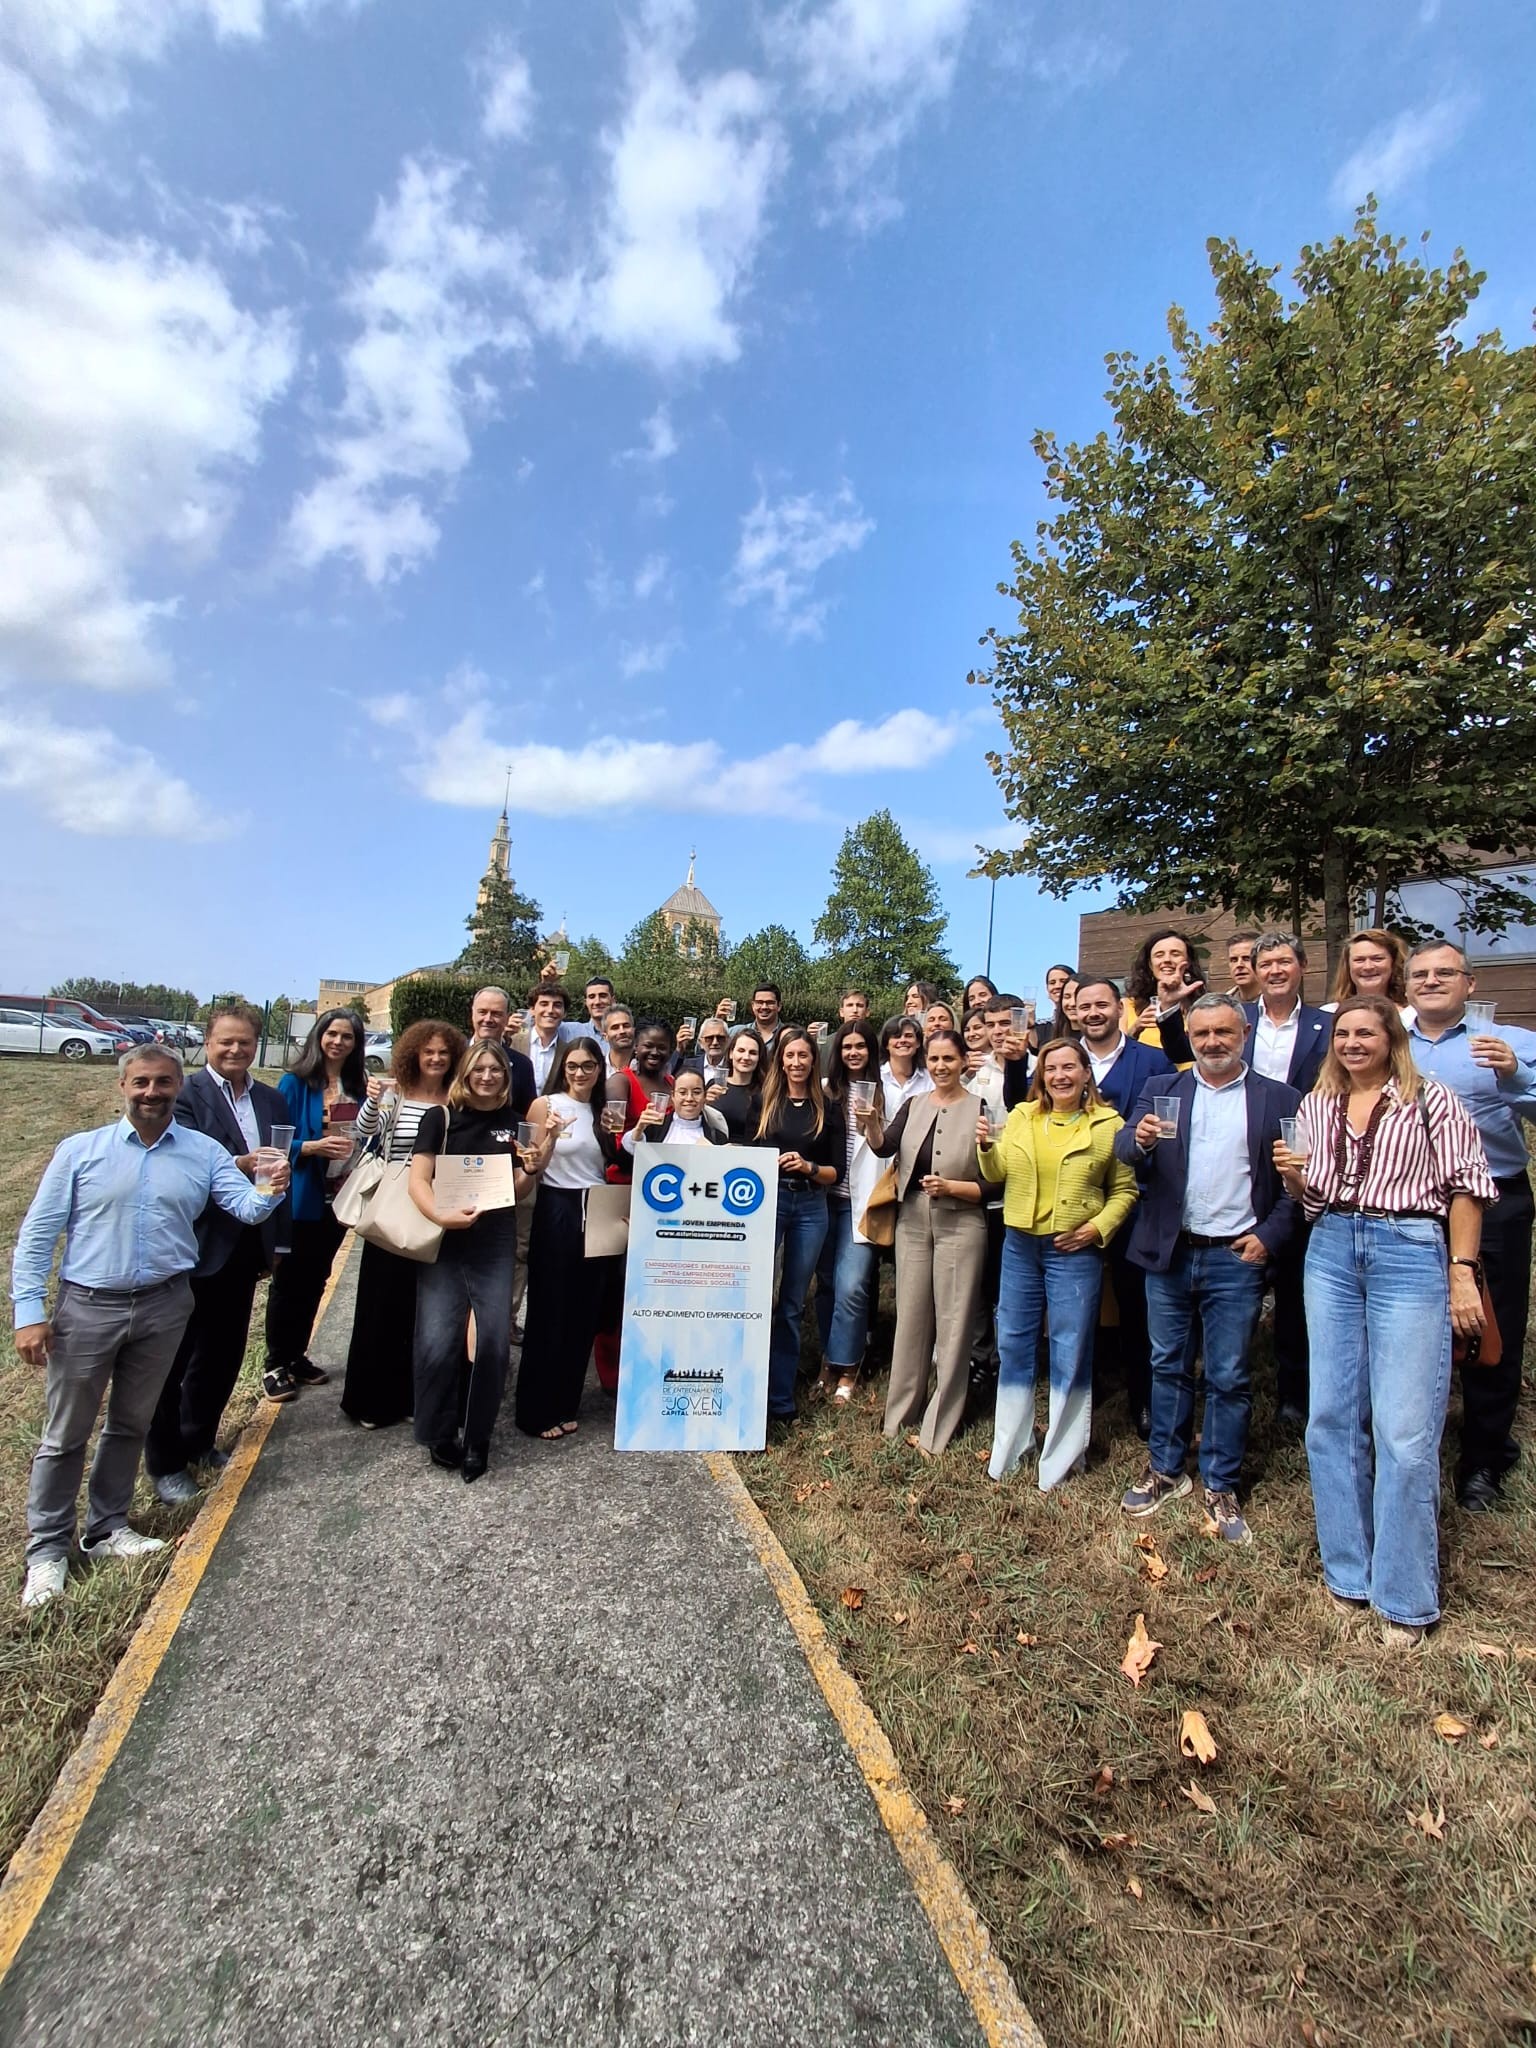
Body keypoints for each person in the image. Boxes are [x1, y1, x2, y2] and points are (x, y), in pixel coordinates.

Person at [13, 1046, 288, 1608]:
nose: (152, 1092)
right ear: (123, 1087)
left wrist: (270, 1186)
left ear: (175, 1088)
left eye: (163, 1082)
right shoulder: (79, 1152)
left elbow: (244, 1207)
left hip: (165, 1304)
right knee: (66, 1433)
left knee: (129, 1424)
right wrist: (29, 1313)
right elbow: (38, 1237)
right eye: (142, 1082)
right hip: (89, 1305)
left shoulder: (203, 1151)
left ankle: (107, 1527)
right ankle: (46, 1551)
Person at [1275, 996, 1495, 1642]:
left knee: (1404, 1429)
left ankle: (1405, 1596)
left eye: (1365, 1032)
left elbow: (1467, 1186)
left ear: (1390, 1037)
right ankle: (1349, 1572)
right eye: (1343, 1032)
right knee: (1332, 1417)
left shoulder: (1431, 1099)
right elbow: (1312, 1197)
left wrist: (1461, 1272)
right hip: (1334, 1246)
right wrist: (1293, 1179)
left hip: (1410, 1248)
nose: (1351, 1042)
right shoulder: (1318, 1105)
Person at [1114, 993, 1301, 1545]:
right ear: (1189, 1039)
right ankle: (1166, 1470)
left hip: (1235, 1256)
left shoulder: (1279, 1098)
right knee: (1167, 1364)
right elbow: (1124, 1147)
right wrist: (1139, 1141)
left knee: (1229, 1375)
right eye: (1202, 1035)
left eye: (1224, 1033)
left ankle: (1221, 1481)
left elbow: (1297, 1182)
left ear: (1243, 1032)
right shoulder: (1163, 1089)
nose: (1213, 1043)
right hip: (1171, 1251)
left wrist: (1268, 1237)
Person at [1406, 941, 1536, 1511]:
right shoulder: (1390, 1042)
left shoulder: (1512, 1044)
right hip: (1413, 1203)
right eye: (1421, 974)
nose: (1432, 981)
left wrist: (1513, 1077)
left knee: (1489, 1330)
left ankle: (1483, 1458)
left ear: (1470, 984)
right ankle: (1413, 1448)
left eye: (1444, 973)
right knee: (1413, 1329)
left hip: (1494, 1202)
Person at [143, 1005, 291, 1504]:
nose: (235, 1050)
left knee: (221, 1355)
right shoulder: (180, 1095)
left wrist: (279, 1242)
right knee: (172, 1360)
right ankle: (165, 1464)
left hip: (246, 1246)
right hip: (191, 1246)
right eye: (226, 1042)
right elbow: (172, 1160)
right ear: (207, 1043)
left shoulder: (270, 1100)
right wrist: (237, 1165)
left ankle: (199, 1440)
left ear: (256, 1046)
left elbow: (281, 1174)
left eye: (245, 1043)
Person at [978, 1039, 1137, 1488]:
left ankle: (1064, 1457)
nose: (1061, 1076)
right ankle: (1012, 1445)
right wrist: (986, 1148)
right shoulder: (1024, 1117)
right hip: (1020, 1246)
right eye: (1051, 1069)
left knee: (1069, 1348)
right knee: (1013, 1343)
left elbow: (1126, 1190)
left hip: (1074, 1249)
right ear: (1041, 1075)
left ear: (1087, 1074)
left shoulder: (1109, 1125)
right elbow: (996, 1173)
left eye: (1070, 1067)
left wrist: (1097, 1228)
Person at [409, 1042, 542, 1482]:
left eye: (496, 1070)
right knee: (437, 1341)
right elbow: (417, 1182)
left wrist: (536, 1164)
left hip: (495, 1242)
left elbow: (517, 1190)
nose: (488, 1076)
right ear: (466, 1073)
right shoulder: (440, 1118)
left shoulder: (513, 1125)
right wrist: (440, 1215)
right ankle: (439, 1431)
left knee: (493, 1343)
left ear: (506, 1076)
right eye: (480, 1069)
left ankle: (478, 1437)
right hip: (447, 1240)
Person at [864, 1029, 987, 1456]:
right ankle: (899, 1417)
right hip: (912, 1219)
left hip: (962, 1221)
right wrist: (872, 1126)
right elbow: (886, 1147)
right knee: (911, 1319)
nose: (939, 1067)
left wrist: (954, 1186)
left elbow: (995, 1180)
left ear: (963, 1062)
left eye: (948, 1059)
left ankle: (940, 1425)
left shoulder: (981, 1108)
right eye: (933, 1059)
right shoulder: (915, 1104)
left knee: (954, 1326)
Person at [1063, 978, 1175, 1438]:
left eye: (1102, 1004)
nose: (1093, 1012)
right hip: (1075, 1199)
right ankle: (1076, 1394)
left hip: (1137, 1201)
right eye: (1084, 1005)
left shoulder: (1152, 1060)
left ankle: (1143, 1401)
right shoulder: (1064, 1058)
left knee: (1136, 1305)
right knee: (1076, 1305)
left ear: (1119, 1009)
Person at [341, 1019, 465, 1429]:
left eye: (443, 1053)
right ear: (414, 1054)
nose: (435, 1059)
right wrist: (373, 1100)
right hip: (394, 1205)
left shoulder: (456, 1100)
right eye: (428, 1052)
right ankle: (372, 1402)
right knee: (380, 1307)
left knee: (424, 1312)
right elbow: (366, 1134)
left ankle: (415, 1395)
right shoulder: (396, 1093)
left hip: (436, 1207)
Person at [514, 1038, 625, 1440]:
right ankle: (534, 1411)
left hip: (596, 1208)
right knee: (549, 1311)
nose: (581, 1072)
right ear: (563, 1067)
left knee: (584, 1313)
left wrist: (634, 1135)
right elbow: (532, 1165)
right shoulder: (547, 1106)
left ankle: (565, 1403)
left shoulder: (604, 1110)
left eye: (589, 1065)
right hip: (557, 1207)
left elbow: (613, 1159)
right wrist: (551, 1137)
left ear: (600, 1069)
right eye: (574, 1065)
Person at [262, 1007, 366, 1403]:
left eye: (348, 1037)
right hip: (300, 1198)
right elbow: (272, 1141)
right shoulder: (294, 1083)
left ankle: (297, 1355)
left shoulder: (358, 1085)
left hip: (338, 1198)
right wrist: (309, 1146)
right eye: (332, 1034)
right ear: (319, 1036)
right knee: (288, 1283)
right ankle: (275, 1363)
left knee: (317, 1280)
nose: (338, 1042)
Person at [758, 1030, 844, 1422]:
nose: (796, 1062)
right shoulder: (764, 1103)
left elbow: (835, 1172)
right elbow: (746, 1157)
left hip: (811, 1205)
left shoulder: (828, 1107)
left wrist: (808, 1166)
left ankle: (779, 1398)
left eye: (803, 1056)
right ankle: (750, 1388)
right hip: (767, 1203)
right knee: (756, 1299)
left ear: (814, 1061)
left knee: (792, 1305)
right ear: (780, 1060)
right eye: (789, 1055)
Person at [812, 1022, 886, 1405]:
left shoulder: (887, 1090)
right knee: (826, 1285)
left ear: (871, 1051)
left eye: (860, 1046)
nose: (853, 1052)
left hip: (863, 1203)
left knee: (853, 1284)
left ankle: (847, 1363)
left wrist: (875, 1122)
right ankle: (829, 1359)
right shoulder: (826, 1091)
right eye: (847, 1047)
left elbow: (888, 1149)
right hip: (825, 1200)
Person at [1127, 930, 1205, 1059]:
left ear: (1188, 962)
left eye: (1175, 954)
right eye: (1159, 955)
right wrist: (1134, 1029)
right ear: (1150, 965)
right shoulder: (1127, 1006)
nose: (1167, 960)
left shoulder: (1204, 1006)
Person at [1323, 927, 1412, 1021]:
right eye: (1359, 960)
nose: (1368, 967)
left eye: (1377, 959)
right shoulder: (1328, 1013)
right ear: (1348, 966)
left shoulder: (1413, 1015)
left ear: (1394, 963)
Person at [628, 1066, 728, 1145]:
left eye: (696, 1092)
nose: (689, 1098)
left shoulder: (717, 1137)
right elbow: (631, 1151)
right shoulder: (655, 1129)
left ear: (705, 1096)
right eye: (682, 1092)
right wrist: (639, 1129)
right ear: (673, 1096)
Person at [523, 983, 583, 1094]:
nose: (550, 1010)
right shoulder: (513, 1042)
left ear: (564, 1013)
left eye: (557, 1005)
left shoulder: (568, 1052)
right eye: (544, 1004)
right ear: (532, 1009)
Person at [712, 1028, 765, 1143]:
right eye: (741, 1050)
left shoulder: (765, 1092)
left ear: (759, 1057)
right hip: (713, 1153)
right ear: (731, 1053)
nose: (746, 1057)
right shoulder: (714, 1085)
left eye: (753, 1053)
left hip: (749, 1156)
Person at [879, 1014, 933, 1114]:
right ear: (886, 1044)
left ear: (918, 1043)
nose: (903, 1040)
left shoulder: (930, 1079)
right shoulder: (877, 1077)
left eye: (909, 1036)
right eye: (896, 1036)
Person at [1226, 930, 1261, 1005]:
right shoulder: (1223, 1005)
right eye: (1234, 960)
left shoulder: (1277, 1002)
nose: (1239, 965)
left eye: (1246, 958)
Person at [750, 984, 783, 1052]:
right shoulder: (735, 1032)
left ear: (779, 1006)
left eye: (770, 1003)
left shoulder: (790, 1035)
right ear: (753, 1006)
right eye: (759, 1002)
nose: (764, 1007)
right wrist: (721, 1019)